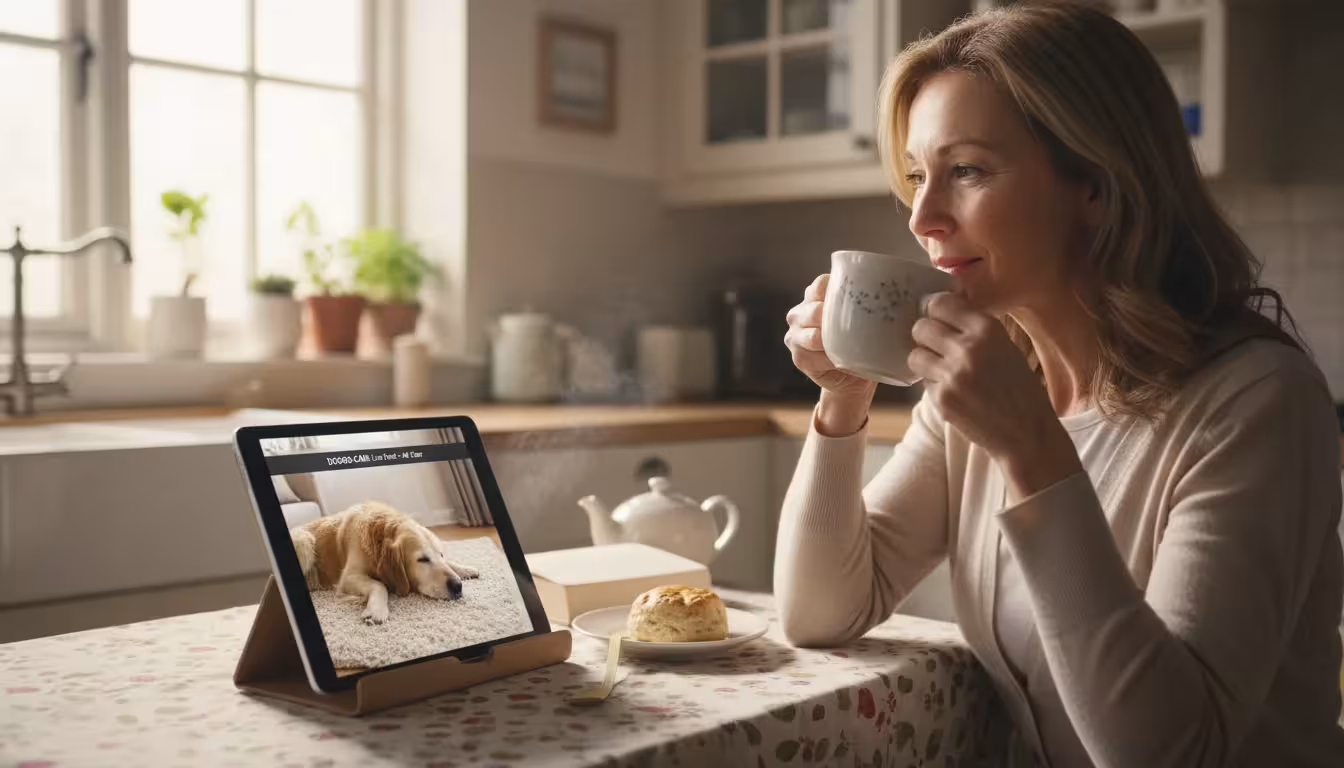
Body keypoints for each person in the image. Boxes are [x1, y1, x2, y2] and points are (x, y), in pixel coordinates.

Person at [775, 2, 1344, 766]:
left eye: (967, 170)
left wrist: (1034, 453)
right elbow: (821, 613)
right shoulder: (991, 390)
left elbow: (1171, 752)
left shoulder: (1255, 401)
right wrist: (842, 399)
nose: (923, 217)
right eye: (917, 177)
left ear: (1098, 184)